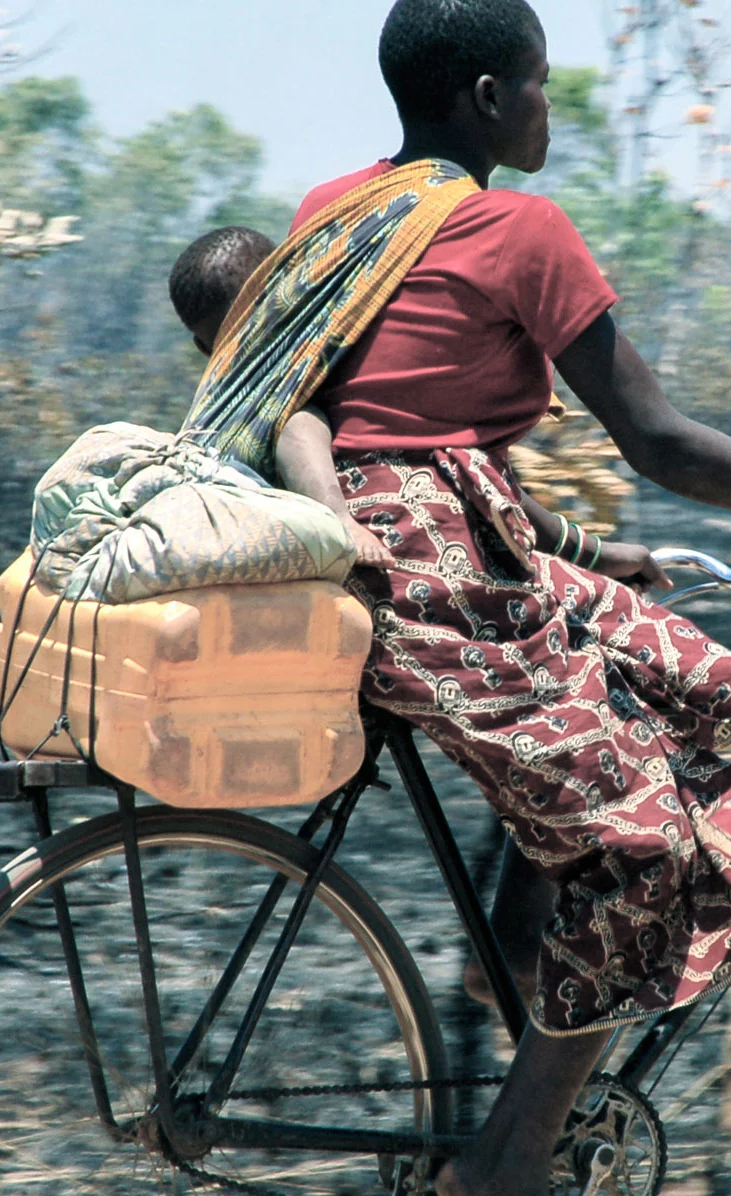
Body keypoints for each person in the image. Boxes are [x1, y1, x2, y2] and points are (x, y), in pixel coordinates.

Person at [186, 0, 731, 1196]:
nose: (549, 105)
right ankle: (505, 1169)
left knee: (695, 682)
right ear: (490, 97)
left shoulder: (337, 210)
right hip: (439, 572)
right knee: (657, 849)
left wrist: (590, 553)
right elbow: (656, 438)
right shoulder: (521, 233)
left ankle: (532, 934)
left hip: (408, 547)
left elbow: (369, 419)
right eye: (539, 81)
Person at [169, 222, 622, 1006]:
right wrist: (335, 513)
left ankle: (515, 949)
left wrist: (590, 549)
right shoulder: (291, 376)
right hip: (379, 599)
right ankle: (516, 954)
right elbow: (303, 423)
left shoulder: (241, 385)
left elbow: (473, 484)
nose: (243, 349)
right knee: (583, 704)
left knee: (561, 702)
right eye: (225, 341)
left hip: (361, 593)